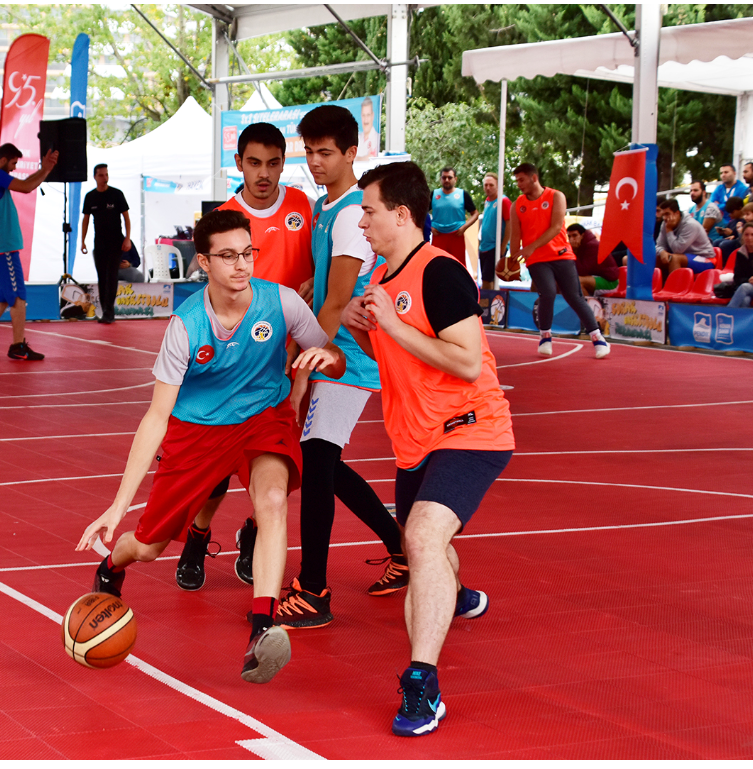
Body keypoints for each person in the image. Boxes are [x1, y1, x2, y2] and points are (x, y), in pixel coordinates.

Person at [75, 209, 346, 684]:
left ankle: (262, 626)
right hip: (197, 432)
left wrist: (328, 358)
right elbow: (157, 416)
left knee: (273, 501)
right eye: (227, 256)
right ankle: (111, 566)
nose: (241, 265)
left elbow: (333, 357)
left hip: (265, 418)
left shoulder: (282, 303)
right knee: (148, 546)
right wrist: (117, 506)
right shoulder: (185, 326)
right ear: (202, 261)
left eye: (247, 253)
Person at [340, 160, 514, 738]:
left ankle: (423, 685)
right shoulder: (381, 283)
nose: (361, 221)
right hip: (415, 440)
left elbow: (466, 361)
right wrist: (356, 333)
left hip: (471, 429)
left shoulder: (440, 274)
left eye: (368, 211)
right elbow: (396, 358)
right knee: (427, 552)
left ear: (401, 214)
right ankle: (456, 596)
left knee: (419, 538)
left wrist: (389, 325)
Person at [271, 104, 409, 630]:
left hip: (347, 355)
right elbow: (325, 288)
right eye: (308, 152)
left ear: (352, 152)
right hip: (337, 351)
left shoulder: (353, 212)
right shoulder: (330, 208)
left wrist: (303, 364)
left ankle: (313, 589)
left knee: (317, 462)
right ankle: (400, 547)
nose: (315, 161)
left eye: (325, 152)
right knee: (320, 465)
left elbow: (338, 300)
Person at [173, 121, 317, 592]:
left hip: (288, 365)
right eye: (254, 163)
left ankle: (255, 534)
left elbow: (315, 269)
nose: (264, 173)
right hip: (233, 368)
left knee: (277, 472)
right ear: (238, 164)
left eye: (273, 163)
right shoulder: (225, 218)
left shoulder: (301, 206)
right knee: (214, 475)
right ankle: (197, 536)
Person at [0, 142, 58, 361]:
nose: (13, 168)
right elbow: (26, 187)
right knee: (17, 296)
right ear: (4, 158)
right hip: (2, 247)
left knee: (1, 298)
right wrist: (45, 169)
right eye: (13, 163)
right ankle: (18, 346)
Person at [509, 162, 610, 359]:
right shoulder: (517, 205)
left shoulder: (556, 196)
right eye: (517, 180)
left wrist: (530, 247)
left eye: (521, 180)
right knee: (547, 292)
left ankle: (597, 337)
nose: (519, 184)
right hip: (537, 259)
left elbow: (556, 227)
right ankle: (545, 336)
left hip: (561, 255)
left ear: (534, 178)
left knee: (574, 296)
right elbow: (515, 236)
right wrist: (513, 260)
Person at [81, 163, 132, 324]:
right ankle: (105, 311)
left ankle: (109, 311)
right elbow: (86, 220)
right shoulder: (90, 197)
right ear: (95, 177)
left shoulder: (116, 194)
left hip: (116, 242)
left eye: (106, 175)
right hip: (100, 243)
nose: (104, 178)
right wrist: (82, 241)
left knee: (112, 276)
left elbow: (126, 217)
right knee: (102, 277)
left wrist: (127, 238)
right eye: (101, 175)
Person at [429, 167, 478, 266]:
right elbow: (421, 213)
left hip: (456, 235)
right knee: (437, 265)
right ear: (440, 179)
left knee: (458, 266)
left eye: (449, 177)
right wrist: (430, 227)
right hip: (438, 236)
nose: (447, 180)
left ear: (455, 179)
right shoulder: (434, 194)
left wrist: (464, 227)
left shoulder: (462, 194)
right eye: (444, 177)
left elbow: (475, 213)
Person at [654, 198, 715, 277]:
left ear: (677, 213)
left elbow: (678, 250)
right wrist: (662, 252)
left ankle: (675, 288)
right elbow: (658, 245)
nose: (665, 218)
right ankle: (655, 287)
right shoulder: (665, 224)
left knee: (674, 258)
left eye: (667, 214)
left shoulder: (690, 225)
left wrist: (669, 230)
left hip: (705, 259)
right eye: (663, 215)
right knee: (657, 256)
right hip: (684, 256)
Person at [477, 173, 511, 290]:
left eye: (491, 185)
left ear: (498, 186)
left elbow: (509, 224)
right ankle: (490, 305)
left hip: (495, 247)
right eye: (485, 185)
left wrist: (502, 246)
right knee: (487, 279)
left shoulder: (504, 201)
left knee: (487, 280)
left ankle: (485, 305)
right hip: (485, 246)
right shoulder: (487, 201)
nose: (487, 187)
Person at [567, 224, 618, 295]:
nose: (571, 239)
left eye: (575, 235)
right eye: (569, 236)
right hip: (595, 277)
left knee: (576, 281)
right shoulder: (583, 245)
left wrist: (573, 251)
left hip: (609, 281)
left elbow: (582, 271)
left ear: (582, 235)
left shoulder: (592, 246)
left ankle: (586, 305)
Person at [727, 224, 753, 308]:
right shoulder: (741, 253)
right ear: (743, 236)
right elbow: (737, 278)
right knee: (745, 300)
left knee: (745, 287)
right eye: (746, 234)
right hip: (750, 288)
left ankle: (727, 314)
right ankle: (741, 321)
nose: (749, 238)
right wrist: (748, 280)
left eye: (752, 234)